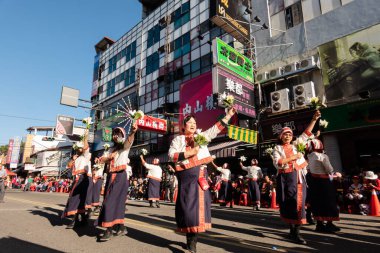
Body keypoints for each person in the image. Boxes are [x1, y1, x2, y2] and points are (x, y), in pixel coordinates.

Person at [168, 107, 236, 253]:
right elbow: (171, 155)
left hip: (199, 175)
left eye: (194, 122)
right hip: (185, 177)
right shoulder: (177, 140)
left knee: (197, 210)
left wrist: (228, 115)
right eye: (189, 122)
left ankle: (192, 242)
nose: (192, 124)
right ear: (183, 126)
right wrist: (189, 153)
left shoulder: (202, 137)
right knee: (186, 209)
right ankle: (189, 238)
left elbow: (215, 129)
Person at [272, 110, 321, 245]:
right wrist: (294, 157)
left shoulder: (296, 144)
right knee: (289, 204)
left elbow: (306, 133)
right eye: (285, 134)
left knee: (299, 204)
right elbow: (278, 163)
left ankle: (296, 233)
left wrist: (314, 119)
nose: (287, 136)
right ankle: (292, 231)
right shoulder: (277, 148)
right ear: (281, 137)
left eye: (289, 134)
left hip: (298, 177)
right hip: (285, 179)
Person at [95, 124, 138, 241]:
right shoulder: (110, 149)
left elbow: (129, 141)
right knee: (117, 203)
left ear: (123, 136)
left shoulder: (125, 146)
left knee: (109, 202)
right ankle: (121, 227)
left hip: (120, 176)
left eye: (119, 134)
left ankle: (108, 230)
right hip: (111, 176)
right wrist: (107, 158)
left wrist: (133, 132)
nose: (116, 136)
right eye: (115, 134)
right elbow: (102, 159)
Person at [307, 138, 341, 233]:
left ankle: (319, 224)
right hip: (324, 182)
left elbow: (308, 169)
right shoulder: (323, 156)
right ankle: (329, 223)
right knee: (329, 202)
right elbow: (329, 170)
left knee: (318, 203)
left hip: (314, 182)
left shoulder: (309, 156)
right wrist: (336, 175)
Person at [62, 130, 91, 229]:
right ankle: (82, 220)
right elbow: (68, 165)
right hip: (77, 179)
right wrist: (73, 159)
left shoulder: (86, 155)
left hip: (83, 178)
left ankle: (74, 220)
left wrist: (86, 134)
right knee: (79, 200)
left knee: (76, 199)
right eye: (78, 147)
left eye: (80, 147)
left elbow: (85, 146)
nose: (80, 148)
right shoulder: (76, 158)